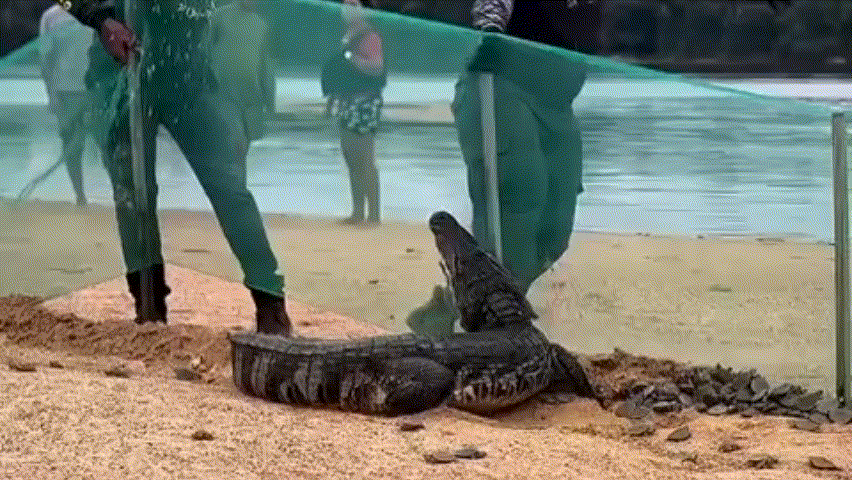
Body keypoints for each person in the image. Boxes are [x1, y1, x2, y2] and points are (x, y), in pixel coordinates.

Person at [60, 0, 291, 335]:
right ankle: (149, 307)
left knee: (228, 187)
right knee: (133, 194)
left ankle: (270, 300)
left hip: (188, 70)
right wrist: (100, 18)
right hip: (120, 66)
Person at [407, 0, 591, 337]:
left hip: (556, 101)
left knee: (555, 230)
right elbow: (491, 10)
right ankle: (494, 323)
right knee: (517, 206)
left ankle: (452, 305)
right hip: (500, 84)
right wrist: (490, 32)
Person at [321, 0, 385, 225]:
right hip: (346, 101)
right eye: (345, 3)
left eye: (353, 3)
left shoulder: (369, 37)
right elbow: (340, 71)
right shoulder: (348, 37)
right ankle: (358, 212)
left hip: (365, 101)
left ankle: (373, 214)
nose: (348, 8)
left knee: (364, 157)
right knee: (350, 157)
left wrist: (352, 58)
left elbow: (376, 66)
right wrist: (331, 101)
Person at [39, 3, 94, 206]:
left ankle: (121, 194)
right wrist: (51, 95)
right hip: (65, 92)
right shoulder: (51, 17)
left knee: (108, 145)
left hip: (95, 89)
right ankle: (80, 196)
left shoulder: (99, 13)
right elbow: (45, 59)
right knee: (72, 146)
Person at [206, 0, 274, 144]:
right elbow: (206, 45)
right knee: (229, 137)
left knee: (246, 138)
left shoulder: (261, 25)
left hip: (250, 93)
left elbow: (264, 64)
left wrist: (269, 98)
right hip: (224, 89)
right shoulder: (221, 16)